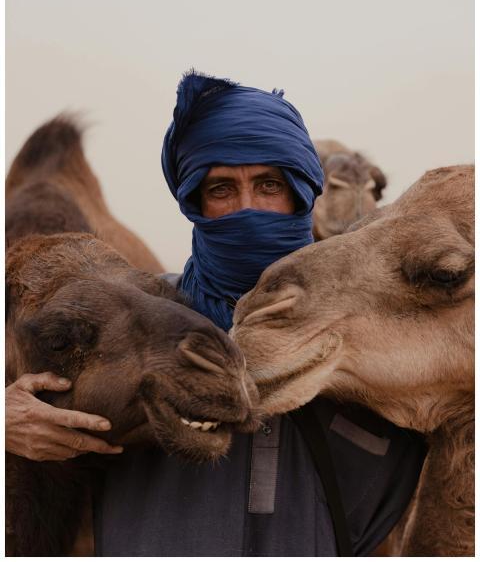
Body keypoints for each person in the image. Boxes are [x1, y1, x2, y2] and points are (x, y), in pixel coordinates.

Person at [6, 71, 425, 555]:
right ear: (195, 202)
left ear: (301, 194)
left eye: (269, 185)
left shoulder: (372, 326)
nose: (248, 208)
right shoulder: (139, 311)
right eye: (222, 189)